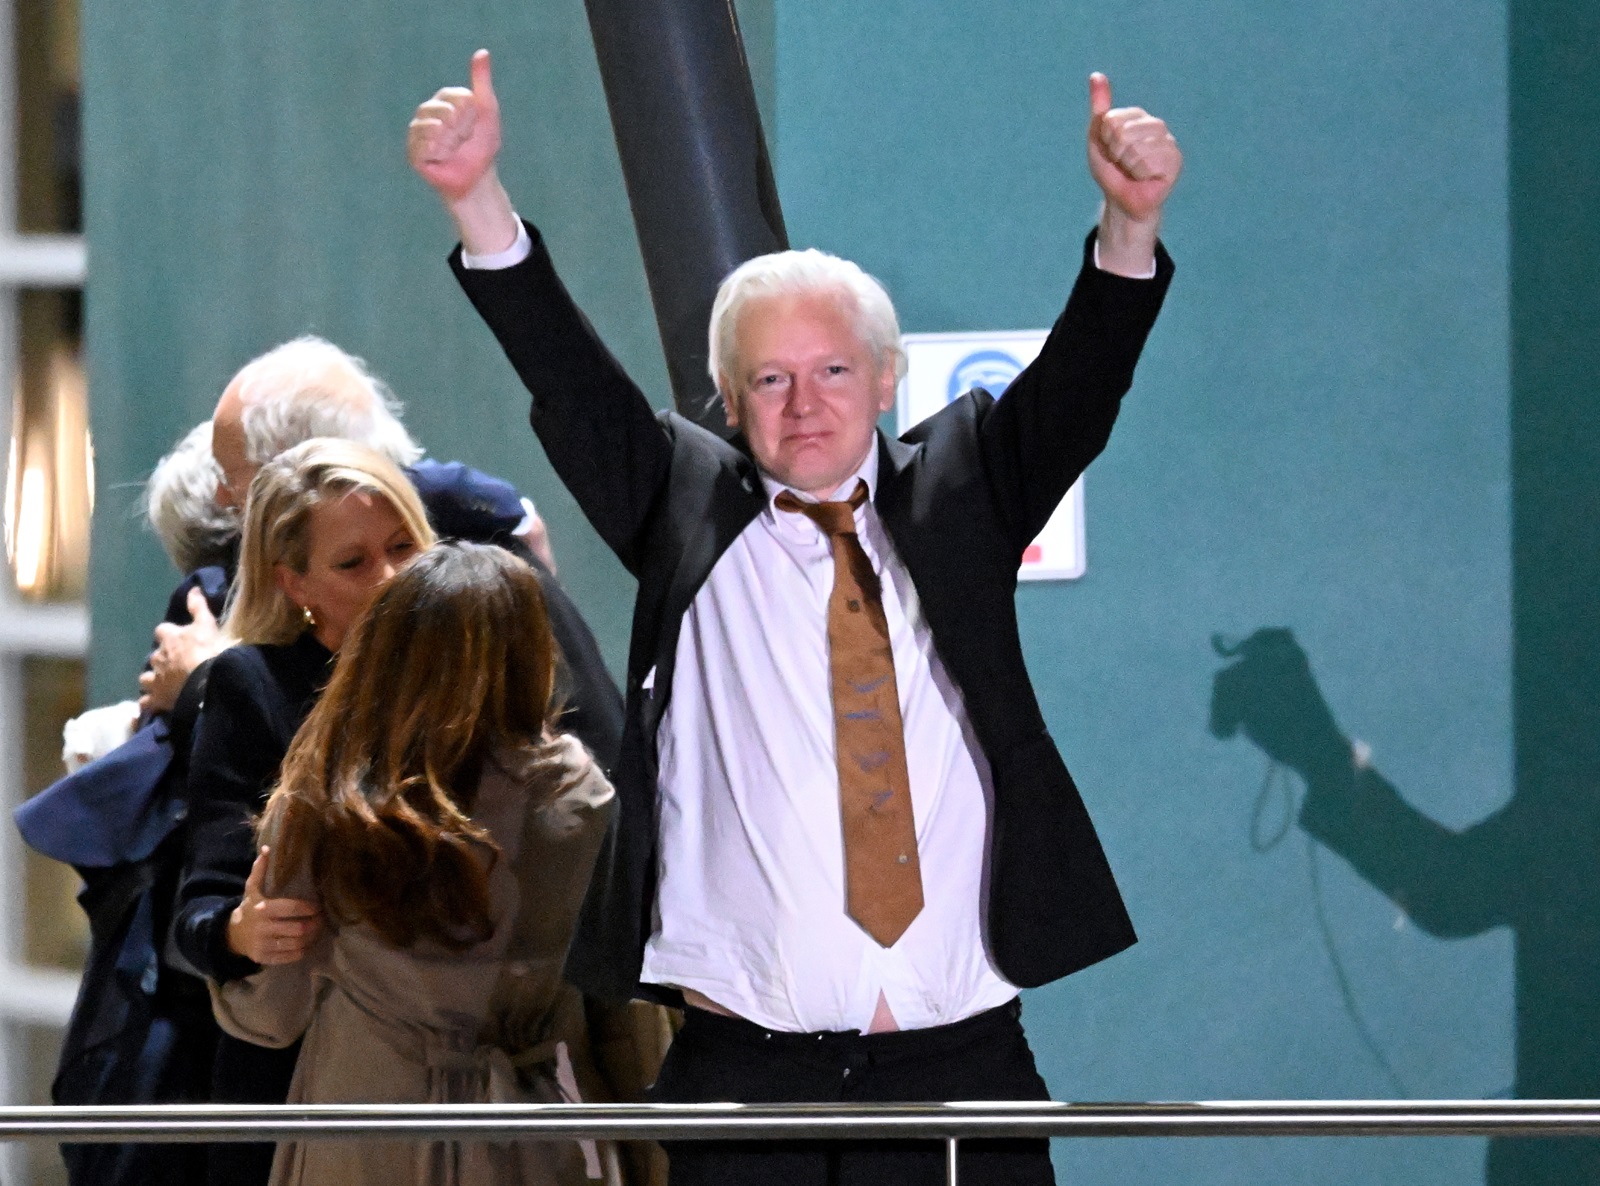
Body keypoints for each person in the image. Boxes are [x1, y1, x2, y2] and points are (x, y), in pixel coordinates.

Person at [411, 50, 1180, 1185]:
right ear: (729, 401)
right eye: (769, 380)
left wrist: (1126, 225)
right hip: (745, 1073)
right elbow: (571, 380)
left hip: (955, 1064)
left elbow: (1083, 381)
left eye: (829, 371)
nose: (804, 403)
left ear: (882, 381)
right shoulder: (677, 503)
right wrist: (478, 202)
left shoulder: (966, 486)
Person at [213, 541, 621, 1186]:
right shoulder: (585, 796)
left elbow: (271, 1014)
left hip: (368, 1125)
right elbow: (611, 994)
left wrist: (238, 944)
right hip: (536, 1129)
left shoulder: (331, 800)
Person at [137, 338, 621, 776]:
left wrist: (203, 685)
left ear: (301, 474)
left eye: (232, 473)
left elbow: (382, 771)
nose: (221, 497)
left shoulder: (474, 590)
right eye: (355, 561)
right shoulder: (490, 547)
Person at [173, 438, 436, 1186]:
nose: (390, 577)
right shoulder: (253, 684)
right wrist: (243, 929)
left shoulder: (474, 673)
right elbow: (197, 913)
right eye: (353, 563)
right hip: (296, 1076)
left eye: (403, 545)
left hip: (447, 1072)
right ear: (295, 585)